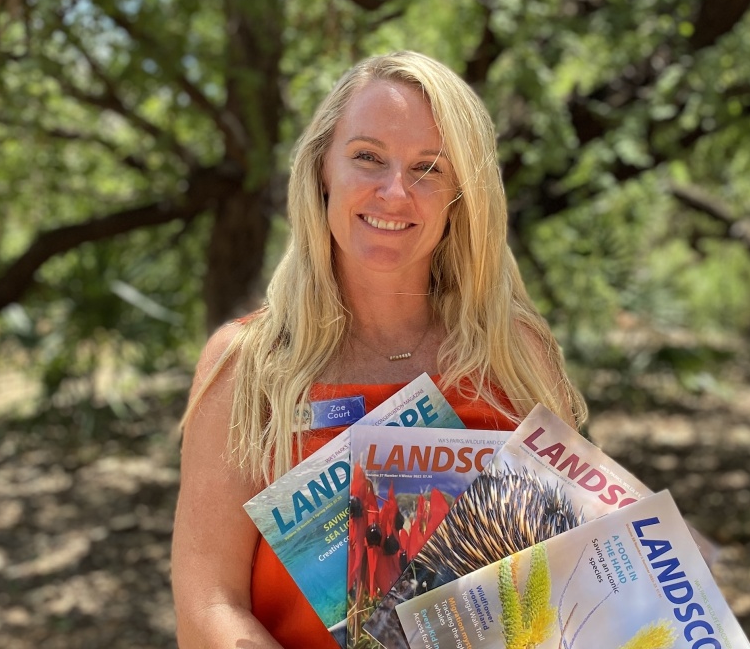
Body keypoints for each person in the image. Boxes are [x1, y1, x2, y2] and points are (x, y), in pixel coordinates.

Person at [171, 50, 588, 648]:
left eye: (428, 168)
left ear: (460, 196)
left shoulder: (514, 354)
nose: (394, 192)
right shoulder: (248, 366)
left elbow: (571, 574)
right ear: (321, 170)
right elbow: (208, 605)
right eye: (367, 157)